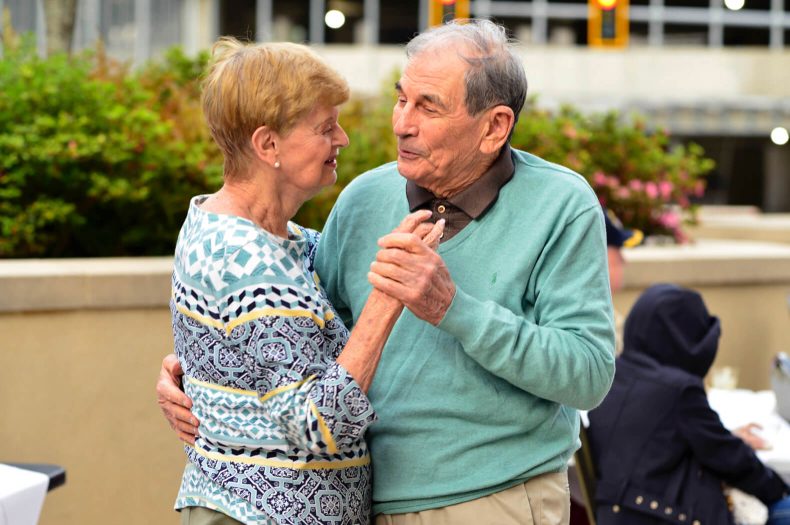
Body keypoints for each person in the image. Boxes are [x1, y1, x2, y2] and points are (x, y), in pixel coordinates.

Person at [160, 20, 616, 524]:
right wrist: (200, 372)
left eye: (428, 106)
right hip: (362, 504)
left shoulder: (561, 205)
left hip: (491, 499)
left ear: (495, 126)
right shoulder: (363, 198)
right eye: (403, 99)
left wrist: (454, 308)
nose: (401, 123)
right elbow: (294, 328)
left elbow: (590, 375)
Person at [166, 37, 444, 525]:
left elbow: (241, 354)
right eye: (324, 127)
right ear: (267, 144)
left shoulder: (272, 238)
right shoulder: (247, 259)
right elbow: (319, 426)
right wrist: (387, 297)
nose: (342, 139)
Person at [587, 283, 790, 525]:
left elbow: (659, 441)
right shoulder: (677, 389)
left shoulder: (613, 376)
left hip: (619, 514)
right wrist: (778, 488)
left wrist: (731, 437)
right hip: (666, 515)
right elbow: (728, 456)